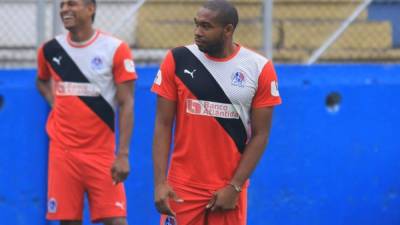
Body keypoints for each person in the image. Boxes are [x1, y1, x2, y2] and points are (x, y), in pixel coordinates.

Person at [151, 0, 282, 224]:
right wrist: (160, 183)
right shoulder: (178, 59)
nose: (197, 32)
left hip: (227, 189)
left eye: (206, 26)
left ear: (228, 30)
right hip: (182, 187)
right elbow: (163, 125)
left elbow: (261, 135)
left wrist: (235, 186)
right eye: (196, 25)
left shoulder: (259, 68)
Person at [36, 0, 137, 224]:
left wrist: (123, 155)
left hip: (102, 155)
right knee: (68, 221)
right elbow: (41, 81)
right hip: (63, 153)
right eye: (62, 5)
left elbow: (127, 103)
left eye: (72, 4)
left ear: (90, 9)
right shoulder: (50, 49)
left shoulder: (115, 49)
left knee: (116, 220)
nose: (64, 10)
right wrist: (55, 101)